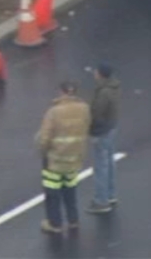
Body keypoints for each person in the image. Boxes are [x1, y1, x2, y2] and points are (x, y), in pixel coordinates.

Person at [36, 80, 91, 235]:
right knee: (70, 191)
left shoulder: (54, 112)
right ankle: (73, 221)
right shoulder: (85, 109)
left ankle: (55, 224)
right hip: (74, 158)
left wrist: (43, 152)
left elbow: (44, 138)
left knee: (53, 194)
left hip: (55, 161)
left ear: (61, 92)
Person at [86, 63, 121, 214]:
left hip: (101, 132)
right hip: (111, 128)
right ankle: (111, 194)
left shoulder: (103, 92)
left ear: (100, 74)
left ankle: (102, 201)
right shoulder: (114, 88)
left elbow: (96, 114)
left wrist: (92, 132)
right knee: (109, 162)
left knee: (101, 166)